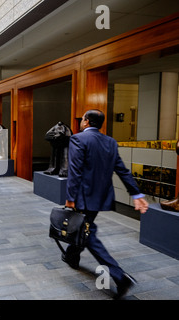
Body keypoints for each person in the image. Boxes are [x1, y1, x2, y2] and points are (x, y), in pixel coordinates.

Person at [64, 109, 149, 299]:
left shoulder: (78, 139)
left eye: (82, 119)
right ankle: (71, 255)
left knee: (88, 233)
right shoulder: (110, 141)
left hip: (83, 197)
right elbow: (122, 170)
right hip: (100, 197)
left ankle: (120, 277)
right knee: (83, 228)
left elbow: (75, 171)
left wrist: (70, 198)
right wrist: (136, 193)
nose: (81, 122)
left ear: (86, 122)